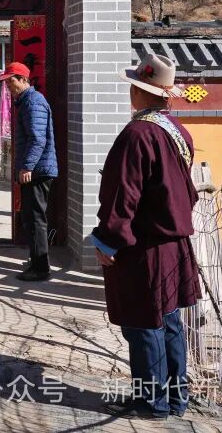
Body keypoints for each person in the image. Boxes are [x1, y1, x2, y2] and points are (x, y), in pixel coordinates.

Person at [90, 53, 201, 420]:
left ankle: (151, 402)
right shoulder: (176, 130)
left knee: (143, 324)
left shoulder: (138, 134)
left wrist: (109, 240)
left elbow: (123, 194)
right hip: (173, 242)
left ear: (138, 92)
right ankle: (176, 398)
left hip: (144, 245)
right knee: (168, 322)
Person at [0, 62, 58, 282]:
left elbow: (37, 139)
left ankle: (40, 268)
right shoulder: (27, 101)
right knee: (30, 218)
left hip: (37, 171)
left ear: (23, 80)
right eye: (5, 83)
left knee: (35, 219)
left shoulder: (33, 102)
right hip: (36, 169)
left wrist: (27, 166)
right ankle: (36, 261)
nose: (7, 87)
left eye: (10, 81)